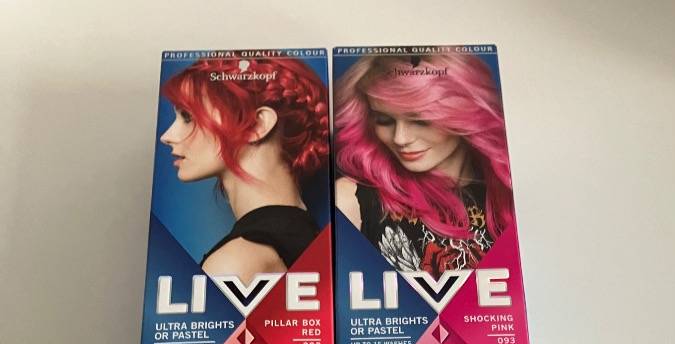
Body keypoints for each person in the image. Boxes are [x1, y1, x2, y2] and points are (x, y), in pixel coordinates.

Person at [335, 52, 514, 277]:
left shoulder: (508, 192)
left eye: (420, 121)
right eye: (384, 120)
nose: (400, 138)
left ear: (465, 114)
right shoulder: (351, 200)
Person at [160, 56, 329, 281]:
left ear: (257, 125)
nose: (166, 136)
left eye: (187, 116)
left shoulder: (235, 264)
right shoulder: (306, 238)